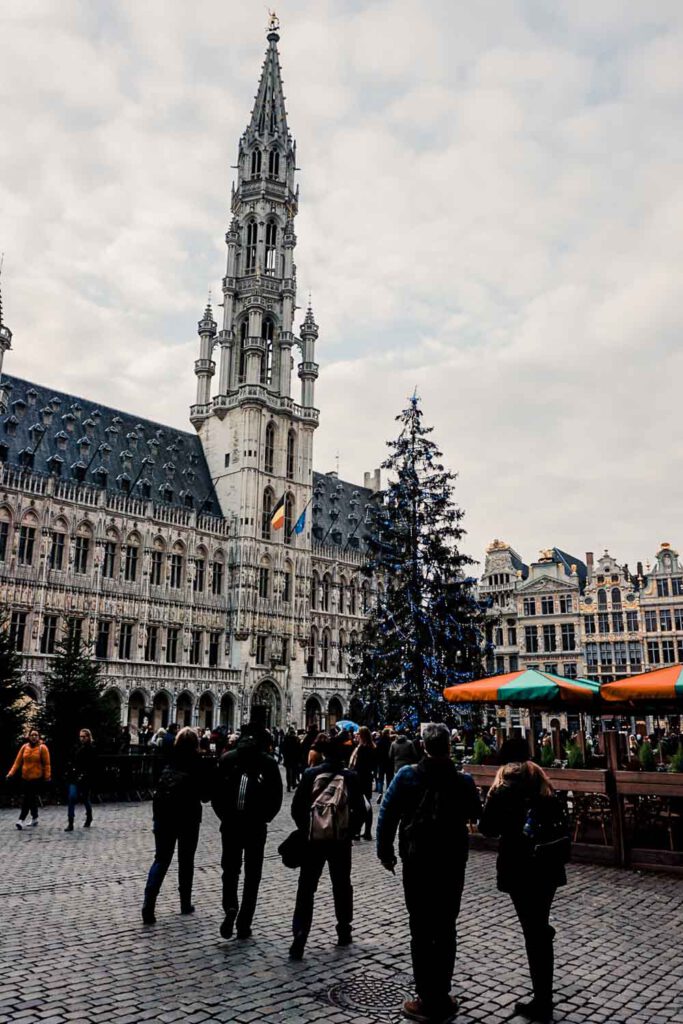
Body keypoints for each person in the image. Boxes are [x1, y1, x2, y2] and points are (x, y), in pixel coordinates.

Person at [377, 722, 482, 1024]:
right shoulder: (463, 781)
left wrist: (385, 853)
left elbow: (387, 814)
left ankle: (425, 996)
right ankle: (442, 993)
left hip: (417, 861)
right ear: (449, 747)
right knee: (446, 927)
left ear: (423, 746)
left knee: (421, 929)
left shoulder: (407, 776)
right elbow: (478, 814)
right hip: (451, 863)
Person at [479, 757, 568, 1023]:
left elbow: (487, 829)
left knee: (534, 932)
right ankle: (543, 995)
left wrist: (494, 800)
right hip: (548, 867)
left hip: (520, 870)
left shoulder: (504, 795)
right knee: (538, 927)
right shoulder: (547, 794)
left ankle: (542, 1001)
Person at [289, 732, 365, 960]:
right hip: (339, 842)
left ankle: (300, 936)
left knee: (306, 888)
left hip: (314, 841)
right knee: (341, 884)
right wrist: (348, 832)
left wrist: (308, 829)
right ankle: (344, 929)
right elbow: (361, 810)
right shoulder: (349, 776)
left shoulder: (311, 773)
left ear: (323, 753)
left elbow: (296, 808)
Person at [212, 727, 283, 940]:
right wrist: (265, 817)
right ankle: (244, 923)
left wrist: (224, 815)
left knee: (230, 870)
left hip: (230, 824)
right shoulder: (268, 762)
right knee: (253, 875)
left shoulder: (226, 759)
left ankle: (230, 907)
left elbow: (216, 793)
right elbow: (276, 796)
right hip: (255, 826)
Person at [141, 727, 211, 924]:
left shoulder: (166, 758)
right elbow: (206, 796)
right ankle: (185, 902)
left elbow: (155, 782)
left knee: (161, 859)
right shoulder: (199, 763)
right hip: (188, 817)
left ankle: (149, 903)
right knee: (186, 859)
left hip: (163, 815)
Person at [7, 729, 51, 830]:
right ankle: (35, 818)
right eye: (32, 735)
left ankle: (21, 820)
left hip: (37, 778)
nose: (34, 737)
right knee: (31, 798)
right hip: (25, 778)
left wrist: (47, 777)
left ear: (39, 737)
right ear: (29, 736)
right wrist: (10, 773)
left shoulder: (42, 748)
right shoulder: (24, 747)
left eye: (36, 735)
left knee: (28, 798)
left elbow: (47, 764)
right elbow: (17, 762)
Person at [64, 728, 97, 831]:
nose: (82, 738)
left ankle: (89, 816)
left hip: (86, 778)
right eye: (81, 736)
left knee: (85, 798)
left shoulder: (91, 749)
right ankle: (70, 822)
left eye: (84, 736)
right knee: (72, 797)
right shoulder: (76, 747)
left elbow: (92, 766)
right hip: (74, 777)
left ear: (88, 737)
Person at [349, 726, 376, 840]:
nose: (356, 735)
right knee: (367, 805)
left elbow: (359, 766)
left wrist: (354, 775)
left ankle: (357, 831)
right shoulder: (371, 747)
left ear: (363, 736)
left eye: (358, 734)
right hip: (366, 779)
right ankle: (366, 831)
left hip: (361, 779)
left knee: (359, 806)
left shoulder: (363, 748)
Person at [282, 727, 301, 792]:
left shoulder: (286, 739)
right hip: (294, 758)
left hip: (288, 758)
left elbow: (283, 748)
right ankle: (293, 783)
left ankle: (289, 785)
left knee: (288, 772)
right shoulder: (296, 739)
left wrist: (284, 756)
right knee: (294, 771)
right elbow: (299, 750)